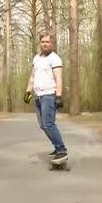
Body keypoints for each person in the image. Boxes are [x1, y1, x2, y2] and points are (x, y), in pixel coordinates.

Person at [24, 32, 68, 160]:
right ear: (40, 43)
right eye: (43, 42)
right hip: (38, 96)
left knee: (48, 124)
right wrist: (28, 92)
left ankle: (61, 150)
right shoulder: (36, 59)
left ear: (51, 43)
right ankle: (57, 147)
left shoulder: (55, 59)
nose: (45, 44)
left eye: (47, 42)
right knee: (43, 125)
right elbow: (32, 77)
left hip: (49, 95)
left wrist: (58, 96)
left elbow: (58, 78)